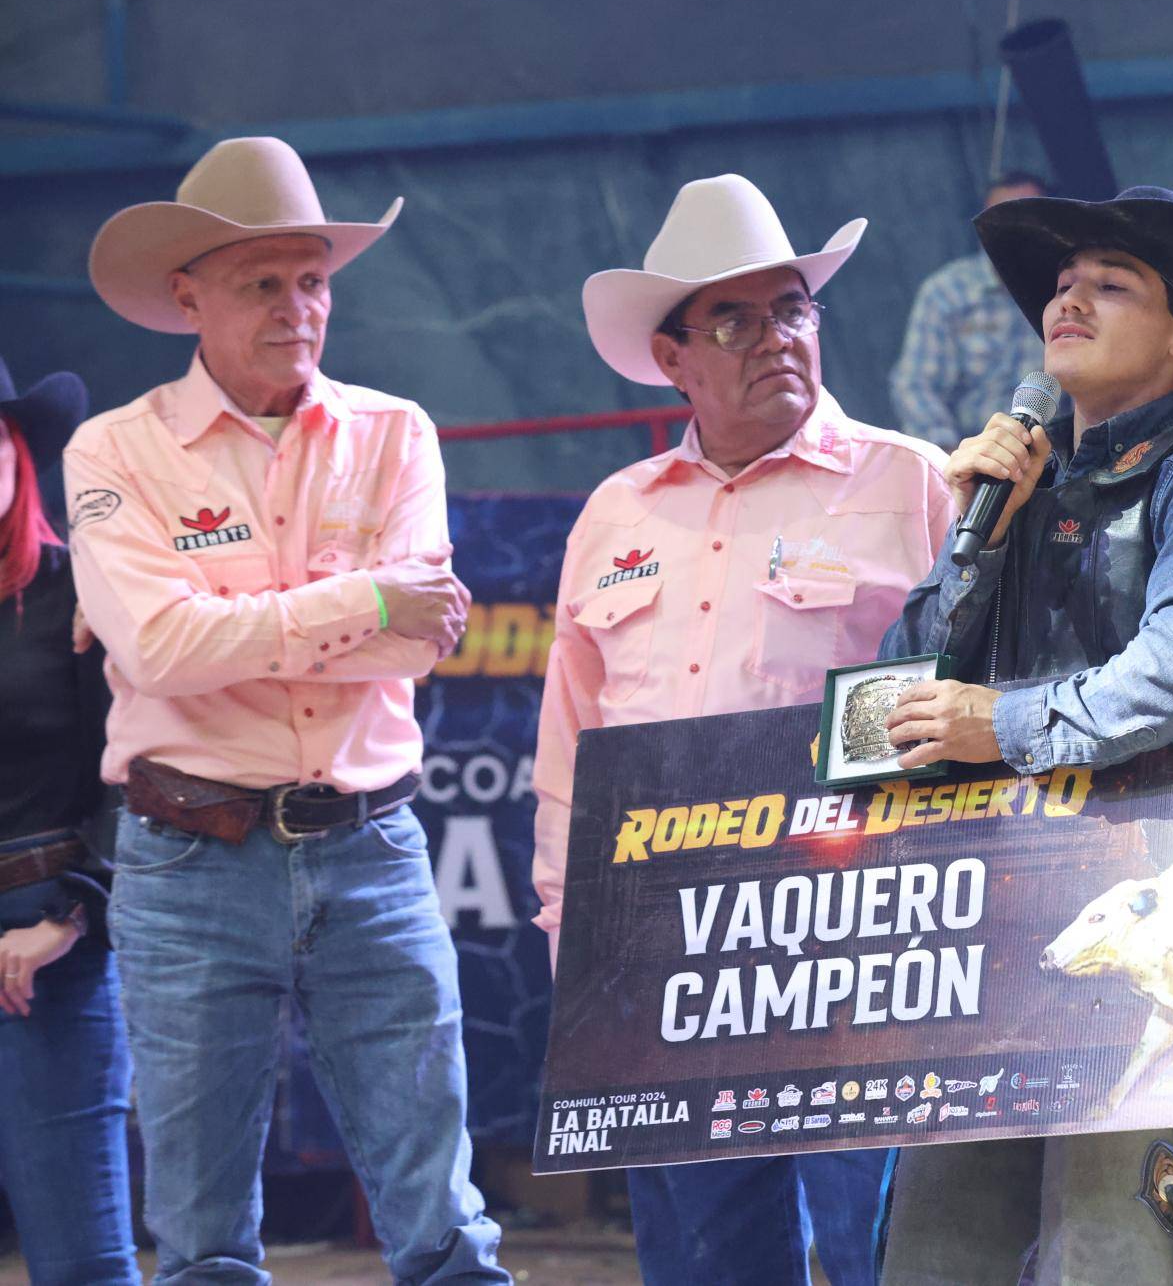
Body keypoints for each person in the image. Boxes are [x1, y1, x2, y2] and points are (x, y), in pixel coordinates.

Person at [65, 136, 506, 1285]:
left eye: (313, 279)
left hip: (369, 840)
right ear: (188, 295)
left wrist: (243, 622)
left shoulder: (394, 427)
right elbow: (159, 648)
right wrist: (358, 597)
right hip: (188, 852)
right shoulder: (112, 447)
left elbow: (424, 637)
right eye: (263, 281)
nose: (298, 306)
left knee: (444, 1215)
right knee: (202, 1229)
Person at [875, 184, 1173, 1285]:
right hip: (996, 917)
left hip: (1160, 913)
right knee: (934, 1247)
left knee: (1115, 1243)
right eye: (1062, 285)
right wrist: (977, 540)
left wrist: (998, 724)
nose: (1067, 298)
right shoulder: (1012, 486)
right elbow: (898, 688)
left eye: (1108, 285)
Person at [534, 172, 952, 1286]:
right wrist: (572, 926)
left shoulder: (908, 483)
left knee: (885, 1246)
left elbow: (970, 694)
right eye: (734, 318)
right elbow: (574, 728)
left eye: (792, 308)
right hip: (662, 942)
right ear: (671, 356)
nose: (775, 336)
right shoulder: (616, 510)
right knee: (706, 1256)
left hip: (861, 932)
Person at [0, 360, 140, 1285]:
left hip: (46, 937)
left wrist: (68, 917)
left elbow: (136, 770)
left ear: (16, 455)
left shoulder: (77, 592)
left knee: (79, 1258)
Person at [888, 171, 1049, 447]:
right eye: (1001, 218)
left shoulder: (1069, 288)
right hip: (974, 453)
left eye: (1026, 217)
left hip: (1057, 457)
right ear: (983, 227)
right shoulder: (947, 292)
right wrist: (951, 458)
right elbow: (914, 387)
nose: (1014, 230)